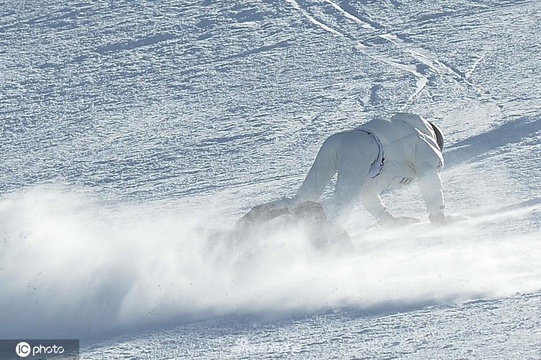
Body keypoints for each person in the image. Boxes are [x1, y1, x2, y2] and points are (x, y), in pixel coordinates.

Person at [267, 112, 452, 226]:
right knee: (341, 206)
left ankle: (262, 218)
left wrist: (386, 220)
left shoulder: (398, 143)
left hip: (339, 141)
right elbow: (429, 176)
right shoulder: (427, 143)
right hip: (363, 146)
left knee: (306, 196)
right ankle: (312, 231)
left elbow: (367, 191)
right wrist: (437, 214)